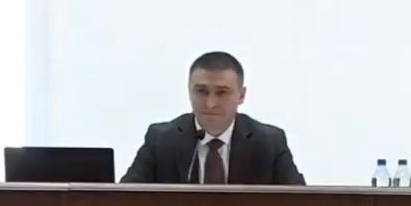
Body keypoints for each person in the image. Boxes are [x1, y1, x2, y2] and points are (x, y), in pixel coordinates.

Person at [120, 52, 305, 185]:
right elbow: (123, 201)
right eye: (201, 91)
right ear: (189, 92)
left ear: (241, 95)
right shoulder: (161, 140)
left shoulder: (269, 143)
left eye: (222, 92)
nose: (210, 103)